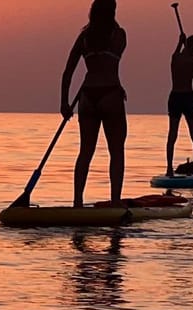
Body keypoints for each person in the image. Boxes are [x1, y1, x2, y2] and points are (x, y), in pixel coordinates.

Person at [60, 0, 127, 207]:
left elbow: (68, 72)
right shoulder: (118, 34)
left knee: (85, 152)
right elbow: (112, 62)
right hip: (110, 94)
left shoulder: (84, 37)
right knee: (116, 151)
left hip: (87, 97)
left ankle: (77, 202)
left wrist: (64, 103)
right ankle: (115, 202)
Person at [165, 34, 193, 176]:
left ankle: (169, 168)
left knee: (173, 133)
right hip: (186, 97)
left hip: (176, 97)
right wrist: (182, 43)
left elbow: (175, 55)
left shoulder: (175, 58)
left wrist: (180, 43)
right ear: (192, 46)